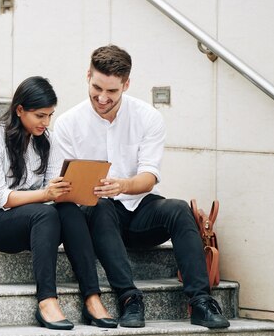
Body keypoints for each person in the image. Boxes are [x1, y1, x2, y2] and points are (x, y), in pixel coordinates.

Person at [52, 45, 231, 329]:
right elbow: (61, 186)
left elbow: (149, 176)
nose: (102, 97)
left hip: (140, 211)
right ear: (88, 75)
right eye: (97, 87)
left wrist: (122, 184)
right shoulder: (67, 123)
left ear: (126, 84)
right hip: (98, 217)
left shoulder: (148, 117)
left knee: (178, 209)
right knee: (99, 206)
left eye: (112, 92)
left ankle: (200, 301)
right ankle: (129, 298)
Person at [0, 76, 118, 330]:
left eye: (50, 115)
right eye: (39, 115)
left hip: (31, 217)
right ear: (20, 110)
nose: (46, 122)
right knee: (45, 214)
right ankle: (47, 300)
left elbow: (52, 188)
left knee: (69, 210)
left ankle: (92, 297)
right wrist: (47, 195)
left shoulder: (46, 140)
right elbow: (0, 197)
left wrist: (76, 189)